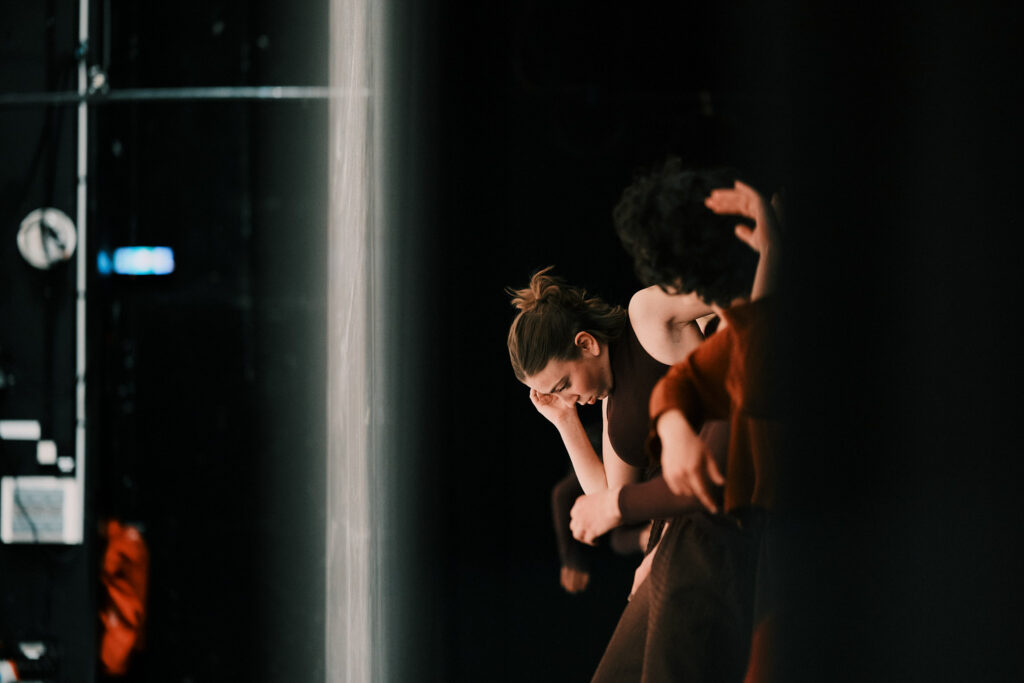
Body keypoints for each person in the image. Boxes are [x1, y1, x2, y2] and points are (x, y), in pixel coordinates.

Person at [580, 156, 784, 682]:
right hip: (692, 541)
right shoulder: (735, 333)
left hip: (726, 545)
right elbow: (683, 386)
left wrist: (614, 506)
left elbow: (706, 483)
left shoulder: (759, 338)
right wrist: (672, 425)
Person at [506, 267, 717, 589]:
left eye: (564, 385)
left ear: (586, 343)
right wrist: (564, 420)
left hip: (715, 488)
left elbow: (732, 287)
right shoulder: (609, 405)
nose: (569, 400)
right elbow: (607, 497)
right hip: (680, 520)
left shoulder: (645, 315)